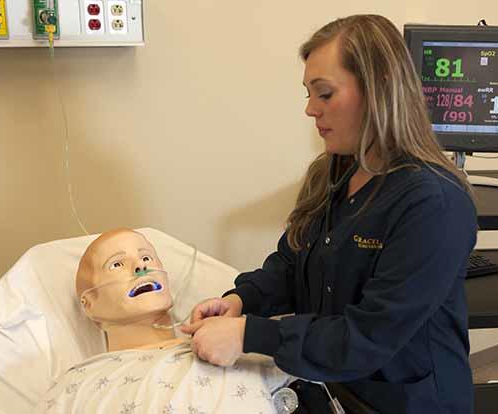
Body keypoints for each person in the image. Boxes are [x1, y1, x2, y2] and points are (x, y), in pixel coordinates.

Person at [181, 14, 478, 414]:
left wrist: (249, 334)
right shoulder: (333, 171)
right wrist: (241, 300)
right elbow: (292, 261)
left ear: (380, 90)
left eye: (324, 94)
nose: (309, 109)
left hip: (404, 400)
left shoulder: (435, 204)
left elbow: (367, 336)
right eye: (307, 93)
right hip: (329, 382)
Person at [36, 229, 289, 413]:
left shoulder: (241, 347)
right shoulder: (77, 386)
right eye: (116, 264)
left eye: (146, 258)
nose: (139, 267)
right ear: (89, 303)